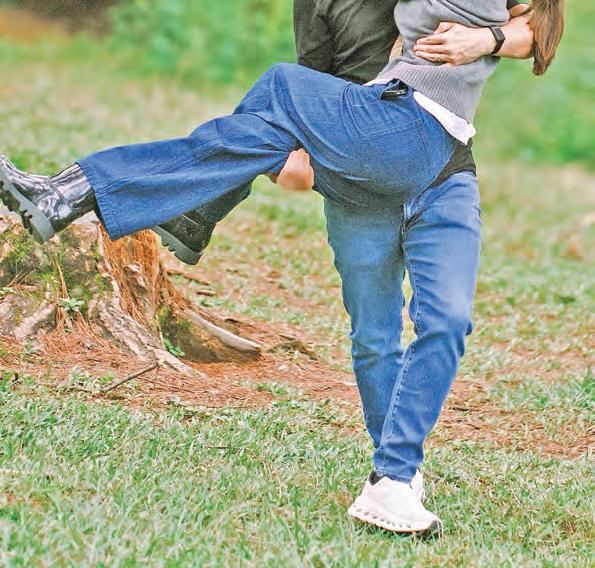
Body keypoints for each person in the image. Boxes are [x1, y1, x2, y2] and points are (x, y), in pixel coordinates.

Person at [0, 0, 564, 535]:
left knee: (447, 318)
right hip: (358, 161)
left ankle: (103, 197)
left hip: (433, 159)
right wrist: (293, 166)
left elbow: (539, 24)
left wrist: (487, 40)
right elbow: (301, 103)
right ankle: (394, 476)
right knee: (373, 335)